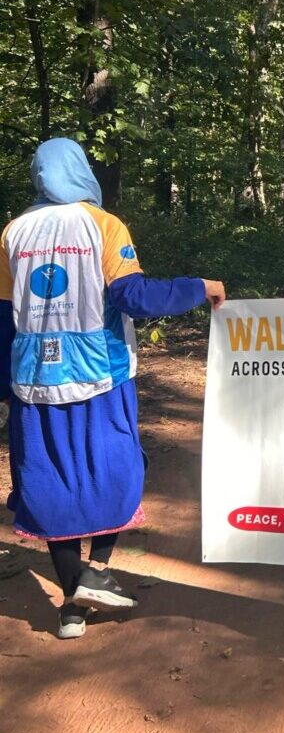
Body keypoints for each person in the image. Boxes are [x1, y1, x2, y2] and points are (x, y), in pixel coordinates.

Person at [0, 138, 226, 640]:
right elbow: (134, 297)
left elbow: (1, 317)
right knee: (118, 472)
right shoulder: (103, 224)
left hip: (34, 382)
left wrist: (5, 386)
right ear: (81, 171)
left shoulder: (13, 232)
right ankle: (96, 573)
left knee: (49, 484)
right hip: (100, 375)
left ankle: (72, 607)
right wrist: (198, 287)